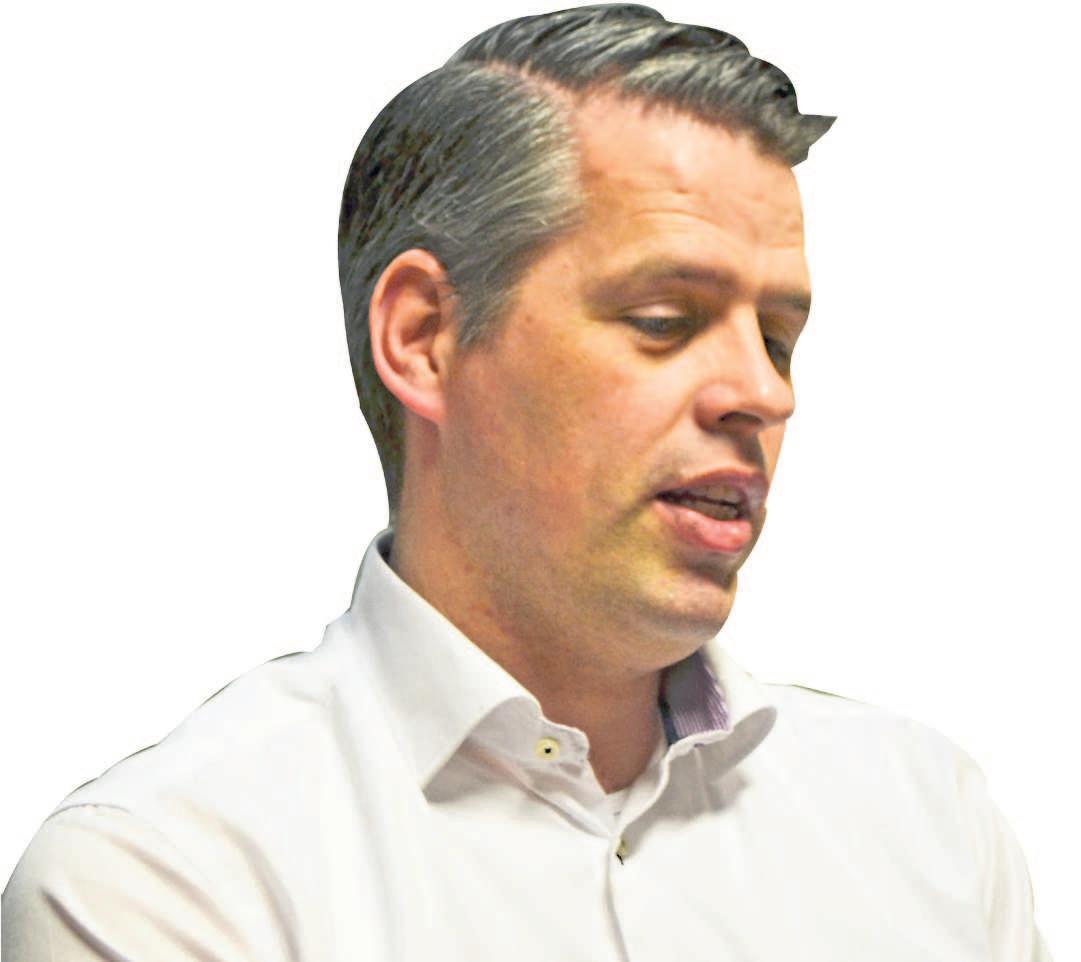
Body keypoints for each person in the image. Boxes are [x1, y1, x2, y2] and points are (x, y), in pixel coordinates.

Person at [2, 5, 1053, 960]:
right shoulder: (169, 881)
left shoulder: (932, 826)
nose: (761, 393)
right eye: (665, 319)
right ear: (424, 337)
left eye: (777, 339)